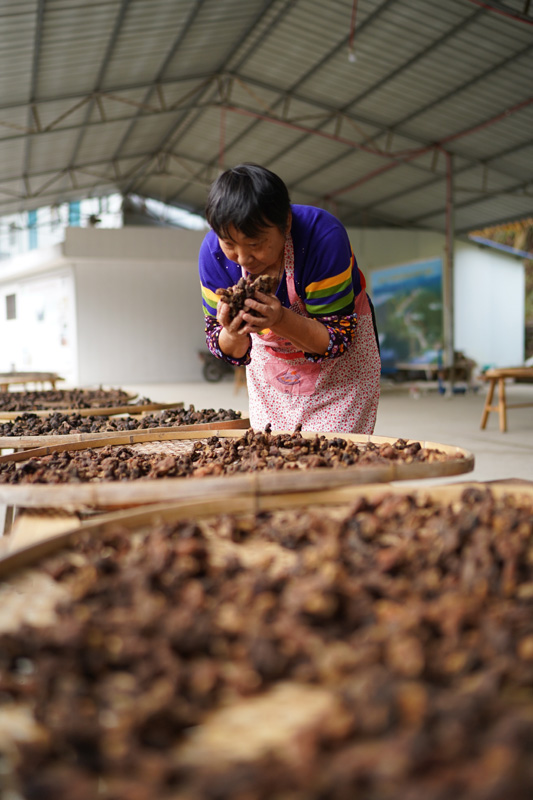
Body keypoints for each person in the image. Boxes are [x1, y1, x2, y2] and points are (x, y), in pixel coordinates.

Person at [198, 163, 381, 434]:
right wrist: (232, 331)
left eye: (255, 244)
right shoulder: (214, 255)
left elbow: (335, 339)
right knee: (274, 457)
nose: (243, 258)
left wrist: (280, 318)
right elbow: (225, 346)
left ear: (286, 223)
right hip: (273, 376)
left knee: (332, 466)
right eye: (229, 244)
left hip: (339, 375)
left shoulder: (322, 237)